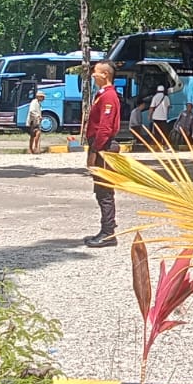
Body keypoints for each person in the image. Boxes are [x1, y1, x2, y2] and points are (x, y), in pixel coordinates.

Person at [83, 60, 122, 248]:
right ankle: (106, 229)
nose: (93, 74)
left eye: (96, 71)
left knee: (105, 191)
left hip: (104, 147)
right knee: (100, 191)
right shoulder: (103, 95)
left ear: (105, 74)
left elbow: (105, 128)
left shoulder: (109, 96)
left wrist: (96, 150)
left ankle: (108, 233)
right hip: (100, 146)